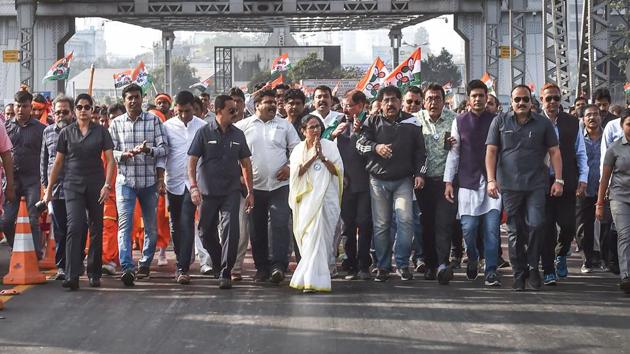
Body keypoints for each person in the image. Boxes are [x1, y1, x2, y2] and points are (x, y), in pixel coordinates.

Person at [486, 85, 563, 291]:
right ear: (511, 102)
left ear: (532, 101)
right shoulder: (500, 121)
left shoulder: (543, 123)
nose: (521, 103)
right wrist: (491, 180)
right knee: (515, 232)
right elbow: (492, 152)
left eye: (525, 100)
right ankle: (519, 274)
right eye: (517, 99)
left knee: (537, 225)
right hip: (510, 187)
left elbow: (554, 152)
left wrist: (559, 180)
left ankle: (532, 266)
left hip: (537, 185)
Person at [44, 93, 115, 290]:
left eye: (87, 107)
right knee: (74, 227)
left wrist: (107, 185)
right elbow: (57, 163)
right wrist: (48, 190)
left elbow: (110, 160)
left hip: (96, 185)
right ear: (75, 111)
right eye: (80, 107)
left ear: (92, 110)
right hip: (72, 185)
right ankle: (71, 274)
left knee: (96, 228)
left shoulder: (101, 132)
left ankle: (94, 273)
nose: (83, 110)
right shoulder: (66, 132)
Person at [356, 86, 427, 282]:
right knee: (381, 225)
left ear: (400, 101)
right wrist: (376, 147)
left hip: (404, 180)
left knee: (405, 220)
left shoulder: (412, 122)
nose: (390, 103)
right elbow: (359, 144)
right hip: (377, 181)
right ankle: (383, 266)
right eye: (386, 100)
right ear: (380, 103)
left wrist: (420, 174)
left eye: (394, 99)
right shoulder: (371, 121)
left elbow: (421, 152)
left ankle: (403, 264)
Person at [188, 95, 254, 289]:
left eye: (236, 109)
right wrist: (193, 187)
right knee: (204, 231)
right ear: (218, 111)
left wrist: (250, 191)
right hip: (207, 192)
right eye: (231, 110)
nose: (236, 113)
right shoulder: (203, 133)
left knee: (230, 231)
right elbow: (191, 162)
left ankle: (226, 271)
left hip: (231, 191)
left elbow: (246, 164)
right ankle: (218, 263)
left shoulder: (238, 134)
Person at [235, 90, 300, 283]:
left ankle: (279, 266)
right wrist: (239, 176)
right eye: (268, 102)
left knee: (280, 223)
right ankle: (262, 268)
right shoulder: (242, 126)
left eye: (275, 101)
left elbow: (296, 149)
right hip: (253, 188)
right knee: (257, 227)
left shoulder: (285, 125)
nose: (273, 105)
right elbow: (233, 152)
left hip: (280, 185)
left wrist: (289, 167)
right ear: (257, 106)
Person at [109, 83, 168, 286]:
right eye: (129, 97)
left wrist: (148, 150)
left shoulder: (153, 121)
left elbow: (164, 148)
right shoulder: (116, 123)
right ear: (124, 100)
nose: (133, 101)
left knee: (151, 227)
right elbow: (111, 152)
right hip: (125, 181)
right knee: (125, 225)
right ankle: (127, 266)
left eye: (136, 97)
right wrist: (124, 154)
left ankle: (144, 263)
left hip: (149, 182)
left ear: (142, 98)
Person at [444, 80, 502, 287]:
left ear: (487, 98)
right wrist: (448, 181)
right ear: (468, 99)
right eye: (474, 95)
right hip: (467, 183)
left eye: (481, 95)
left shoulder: (497, 120)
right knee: (468, 229)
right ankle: (473, 257)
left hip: (493, 184)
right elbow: (454, 153)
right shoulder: (459, 121)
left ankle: (491, 270)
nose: (478, 99)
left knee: (492, 230)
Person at [539, 83, 588, 285]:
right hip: (541, 183)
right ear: (542, 100)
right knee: (546, 227)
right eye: (548, 98)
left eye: (556, 98)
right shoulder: (534, 121)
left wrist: (583, 178)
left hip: (566, 181)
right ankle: (549, 269)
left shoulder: (572, 122)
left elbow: (580, 153)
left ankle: (561, 253)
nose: (552, 102)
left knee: (568, 224)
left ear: (561, 100)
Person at [288, 114, 344, 292]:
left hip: (326, 199)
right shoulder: (298, 149)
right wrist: (313, 156)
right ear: (303, 131)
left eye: (318, 126)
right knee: (310, 237)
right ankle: (309, 278)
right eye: (311, 127)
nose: (316, 130)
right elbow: (297, 174)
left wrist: (323, 157)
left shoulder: (330, 147)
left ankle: (315, 279)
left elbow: (338, 172)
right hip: (307, 201)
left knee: (323, 239)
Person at [416, 83, 458, 284]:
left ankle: (443, 264)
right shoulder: (416, 120)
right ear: (424, 101)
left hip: (446, 182)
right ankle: (430, 264)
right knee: (427, 224)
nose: (433, 102)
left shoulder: (454, 120)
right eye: (430, 98)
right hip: (422, 182)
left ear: (444, 101)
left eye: (438, 98)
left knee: (443, 224)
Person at [163, 91, 207, 285]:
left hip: (193, 184)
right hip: (172, 182)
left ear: (194, 108)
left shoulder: (203, 127)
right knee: (175, 224)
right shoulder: (166, 127)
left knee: (187, 221)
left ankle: (182, 267)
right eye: (179, 111)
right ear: (175, 109)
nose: (183, 115)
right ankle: (182, 258)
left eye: (187, 111)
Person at [2, 89, 45, 258]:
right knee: (6, 221)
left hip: (33, 180)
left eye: (24, 106)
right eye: (18, 106)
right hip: (12, 181)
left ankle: (35, 254)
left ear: (30, 107)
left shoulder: (42, 129)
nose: (20, 110)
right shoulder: (6, 127)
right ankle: (17, 248)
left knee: (33, 218)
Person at [338, 90, 372, 280]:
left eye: (349, 105)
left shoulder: (371, 124)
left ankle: (363, 265)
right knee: (347, 227)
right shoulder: (339, 124)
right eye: (344, 105)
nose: (345, 109)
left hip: (365, 184)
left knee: (365, 224)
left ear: (361, 106)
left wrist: (360, 132)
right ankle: (350, 264)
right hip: (345, 184)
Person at [40, 94, 75, 280]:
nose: (61, 115)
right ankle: (62, 267)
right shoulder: (47, 132)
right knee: (60, 229)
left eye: (65, 112)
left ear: (72, 112)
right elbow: (44, 161)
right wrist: (46, 187)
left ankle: (75, 263)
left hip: (77, 188)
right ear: (53, 112)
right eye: (58, 112)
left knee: (76, 228)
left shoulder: (80, 131)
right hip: (55, 191)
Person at [596, 109, 630, 294]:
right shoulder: (614, 149)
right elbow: (604, 179)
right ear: (622, 126)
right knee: (625, 234)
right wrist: (600, 204)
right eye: (629, 124)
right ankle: (626, 276)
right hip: (620, 197)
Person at [576, 105, 603, 273]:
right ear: (583, 119)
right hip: (583, 187)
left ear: (600, 117)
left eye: (595, 114)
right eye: (588, 115)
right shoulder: (579, 138)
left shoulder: (608, 137)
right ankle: (586, 259)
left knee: (604, 225)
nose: (592, 118)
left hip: (603, 188)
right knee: (583, 226)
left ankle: (602, 257)